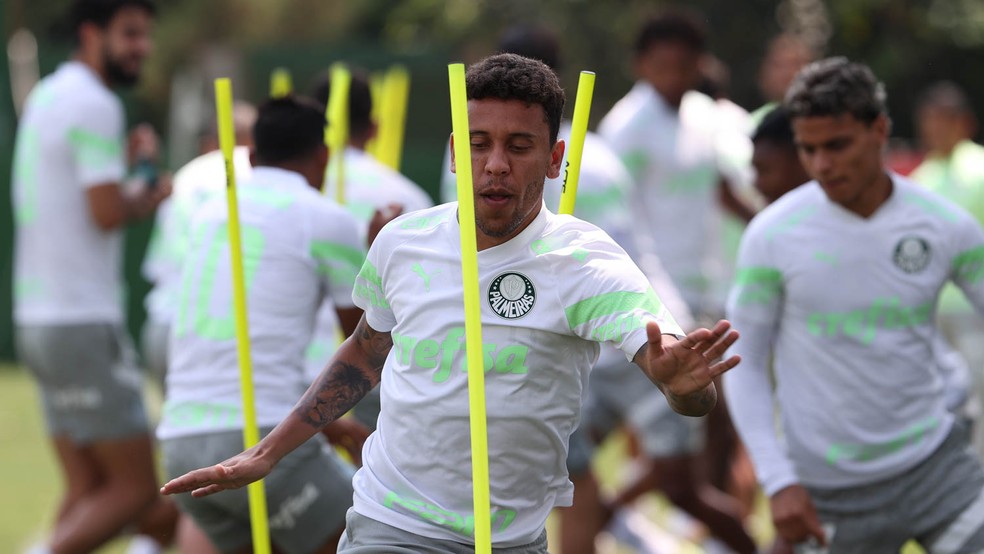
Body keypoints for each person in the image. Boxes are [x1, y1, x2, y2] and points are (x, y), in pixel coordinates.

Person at [162, 52, 741, 553]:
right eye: (478, 143)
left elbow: (682, 383)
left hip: (513, 539)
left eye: (519, 147)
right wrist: (268, 452)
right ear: (455, 152)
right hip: (390, 524)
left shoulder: (586, 261)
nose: (495, 164)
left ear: (556, 157)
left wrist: (685, 388)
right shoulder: (403, 242)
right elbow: (365, 353)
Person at [725, 57, 984, 552]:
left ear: (880, 130)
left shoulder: (945, 226)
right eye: (809, 148)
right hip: (828, 493)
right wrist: (778, 480)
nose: (822, 164)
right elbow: (746, 364)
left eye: (837, 145)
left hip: (937, 470)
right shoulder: (772, 235)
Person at [158, 96, 368, 553]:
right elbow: (368, 341)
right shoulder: (325, 218)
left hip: (179, 438)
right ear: (323, 157)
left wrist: (329, 427)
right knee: (381, 535)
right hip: (258, 436)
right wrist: (377, 259)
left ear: (251, 156)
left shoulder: (213, 212)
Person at [11, 1, 176, 552]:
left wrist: (132, 176)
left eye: (146, 36)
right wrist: (151, 187)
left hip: (37, 320)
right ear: (90, 33)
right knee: (134, 492)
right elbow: (106, 212)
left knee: (89, 488)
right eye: (130, 34)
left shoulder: (50, 96)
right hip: (79, 320)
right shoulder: (95, 103)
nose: (142, 48)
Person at [596, 11, 759, 553]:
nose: (673, 73)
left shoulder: (704, 118)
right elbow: (615, 220)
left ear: (698, 66)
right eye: (661, 63)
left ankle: (690, 528)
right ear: (642, 65)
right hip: (650, 302)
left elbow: (720, 194)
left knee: (717, 422)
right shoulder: (626, 125)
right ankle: (608, 517)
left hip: (710, 290)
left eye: (683, 63)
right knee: (634, 431)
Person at [306, 69, 433, 430]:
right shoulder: (407, 195)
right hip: (372, 370)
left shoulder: (297, 190)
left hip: (298, 368)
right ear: (374, 128)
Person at [141, 101, 257, 389]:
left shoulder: (185, 176)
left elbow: (158, 267)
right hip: (219, 335)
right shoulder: (256, 175)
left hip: (162, 323)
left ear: (208, 143)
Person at [910, 82, 984, 459]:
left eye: (942, 122)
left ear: (963, 123)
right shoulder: (923, 176)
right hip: (935, 308)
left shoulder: (979, 168)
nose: (934, 130)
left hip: (975, 308)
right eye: (929, 123)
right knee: (944, 395)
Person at [749, 33, 817, 125]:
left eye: (795, 63)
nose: (788, 73)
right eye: (779, 65)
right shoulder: (751, 125)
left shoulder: (825, 121)